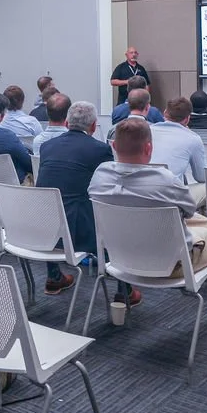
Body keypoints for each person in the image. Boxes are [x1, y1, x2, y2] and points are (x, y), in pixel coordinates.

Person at [91, 119, 207, 321]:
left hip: (119, 260)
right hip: (171, 263)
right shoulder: (164, 181)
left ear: (113, 146)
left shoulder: (100, 176)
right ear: (149, 147)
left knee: (169, 215)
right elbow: (189, 210)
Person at [35, 102, 121, 298]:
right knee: (117, 217)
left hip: (43, 227)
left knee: (57, 202)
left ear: (66, 123)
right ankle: (125, 293)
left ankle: (54, 276)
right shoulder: (99, 150)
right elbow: (109, 187)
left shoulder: (47, 146)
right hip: (79, 230)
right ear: (93, 127)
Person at [151, 97, 207, 203]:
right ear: (187, 119)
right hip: (172, 198)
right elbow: (201, 177)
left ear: (165, 113)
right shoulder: (193, 138)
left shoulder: (146, 131)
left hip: (144, 193)